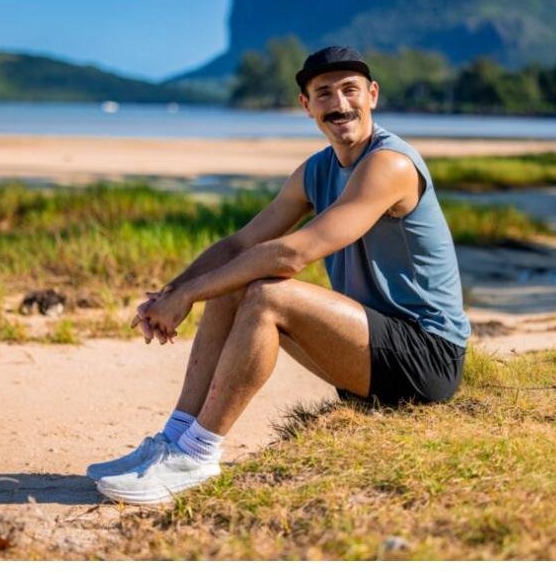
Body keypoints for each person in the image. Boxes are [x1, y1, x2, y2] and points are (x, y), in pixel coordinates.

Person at [88, 45, 471, 504]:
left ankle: (198, 455)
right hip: (370, 352)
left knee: (269, 294)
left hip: (426, 357)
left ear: (372, 95)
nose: (340, 103)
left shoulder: (389, 164)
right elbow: (240, 244)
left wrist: (188, 296)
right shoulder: (317, 170)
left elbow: (293, 255)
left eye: (350, 90)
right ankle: (175, 440)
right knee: (234, 282)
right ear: (306, 107)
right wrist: (170, 293)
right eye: (324, 93)